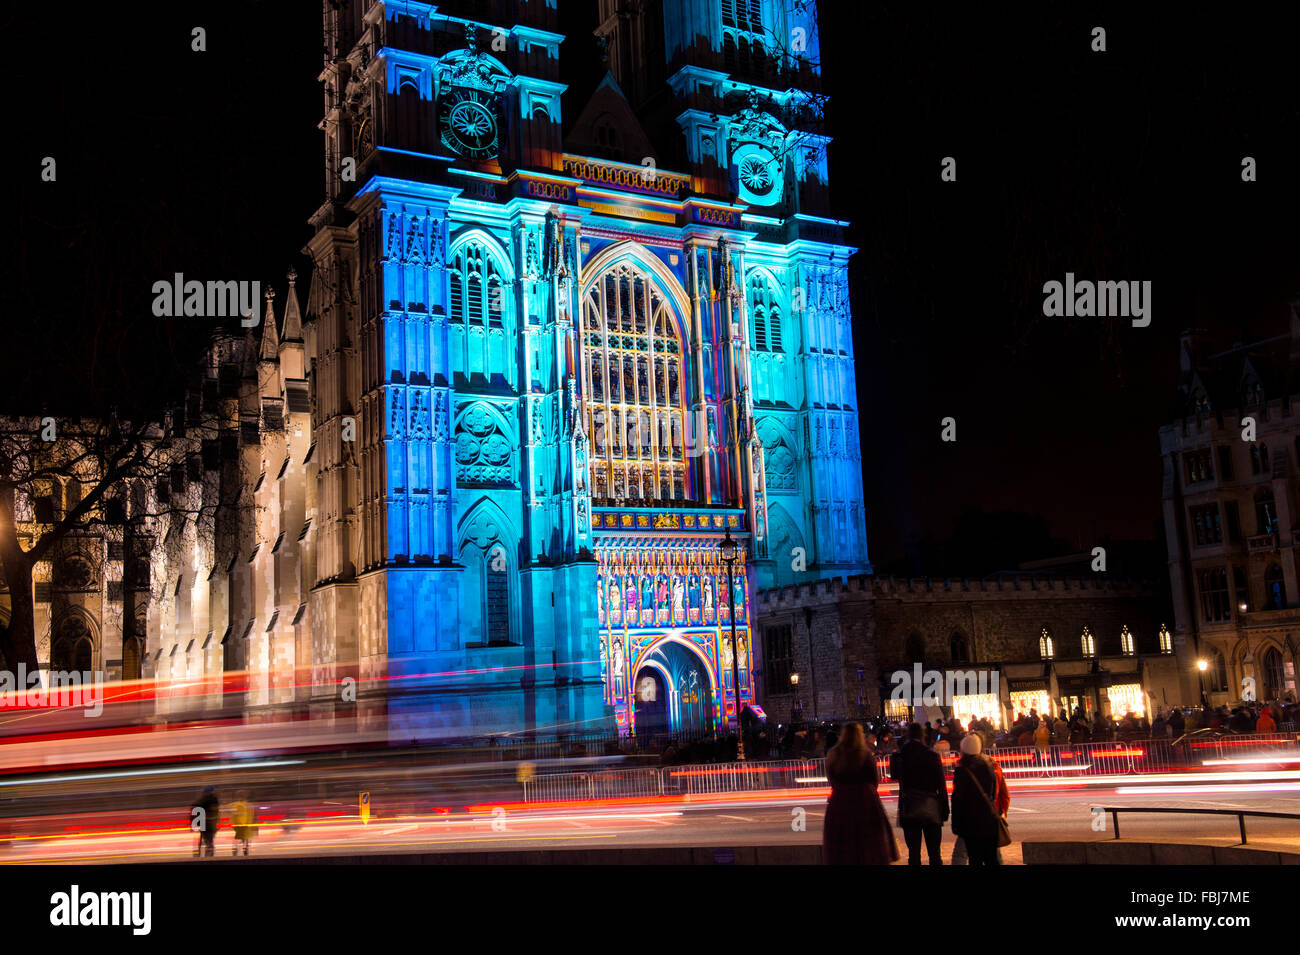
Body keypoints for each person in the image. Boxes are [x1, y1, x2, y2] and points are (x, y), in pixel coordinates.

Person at [822, 722, 899, 865]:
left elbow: (831, 779)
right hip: (865, 800)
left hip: (840, 801)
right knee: (868, 843)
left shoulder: (833, 755)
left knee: (842, 843)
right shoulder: (864, 755)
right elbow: (874, 780)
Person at [890, 723, 948, 865]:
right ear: (923, 735)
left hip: (909, 806)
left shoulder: (900, 756)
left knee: (914, 853)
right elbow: (941, 784)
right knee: (934, 852)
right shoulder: (931, 755)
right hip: (930, 804)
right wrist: (944, 807)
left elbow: (894, 776)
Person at [951, 734, 1004, 866]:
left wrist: (957, 824)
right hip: (988, 819)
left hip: (970, 822)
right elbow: (992, 793)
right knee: (991, 857)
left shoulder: (962, 771)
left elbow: (957, 800)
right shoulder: (988, 767)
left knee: (974, 858)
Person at [191, 786, 220, 858]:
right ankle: (209, 853)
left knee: (205, 838)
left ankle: (200, 852)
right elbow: (216, 813)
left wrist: (194, 824)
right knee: (209, 840)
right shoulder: (214, 800)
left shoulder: (200, 800)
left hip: (203, 823)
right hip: (211, 823)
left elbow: (195, 811)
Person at [230, 791, 257, 856]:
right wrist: (249, 823)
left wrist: (233, 824)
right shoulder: (248, 805)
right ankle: (244, 849)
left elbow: (233, 815)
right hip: (244, 824)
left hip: (238, 824)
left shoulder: (234, 805)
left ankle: (235, 849)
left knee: (238, 837)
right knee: (245, 838)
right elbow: (251, 815)